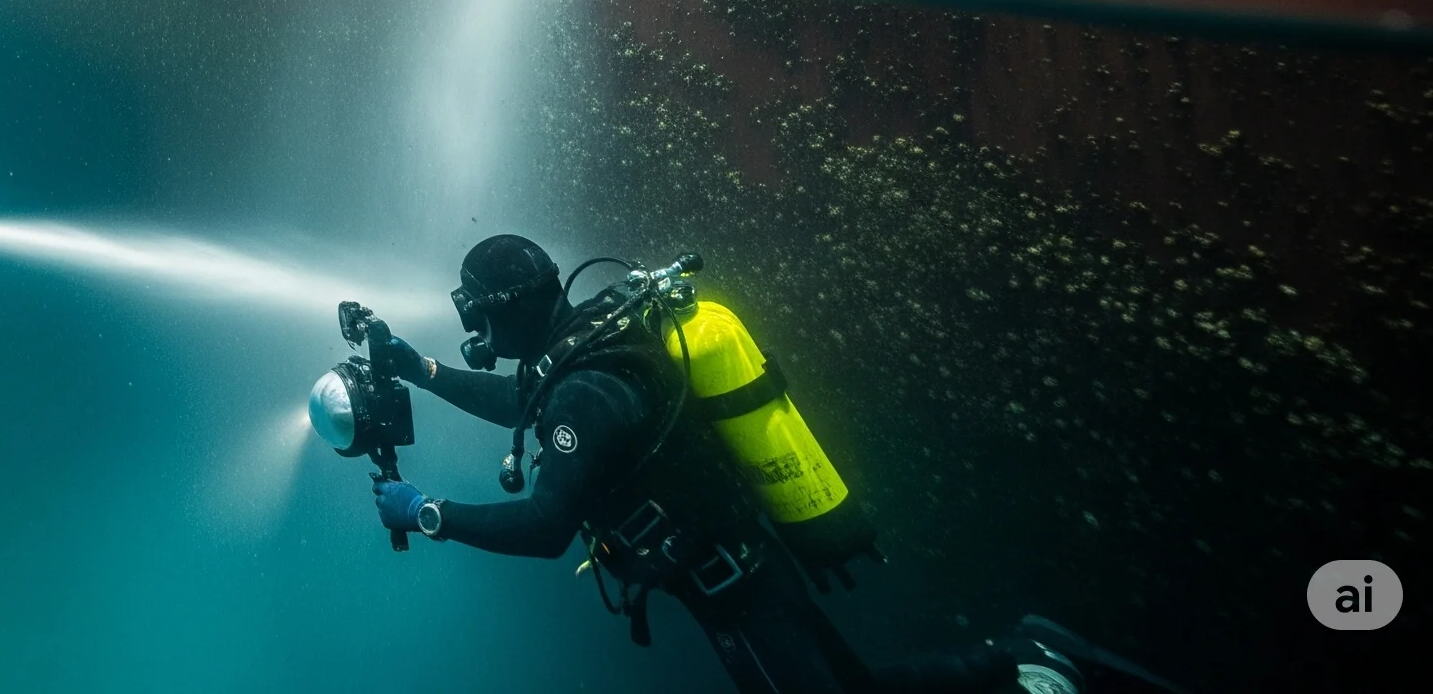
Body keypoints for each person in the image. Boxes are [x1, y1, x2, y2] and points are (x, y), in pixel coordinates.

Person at [360, 236, 1181, 694]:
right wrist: (418, 370)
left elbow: (545, 528)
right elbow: (517, 401)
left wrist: (426, 511)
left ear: (505, 309)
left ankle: (1024, 662)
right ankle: (1024, 663)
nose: (475, 330)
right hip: (741, 567)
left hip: (735, 591)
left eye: (473, 312)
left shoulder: (584, 393)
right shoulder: (580, 348)